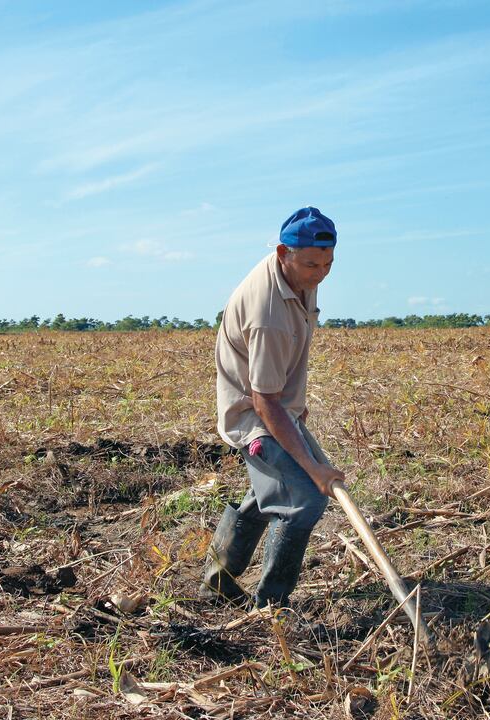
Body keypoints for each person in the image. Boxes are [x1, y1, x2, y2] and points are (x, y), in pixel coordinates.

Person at [200, 207, 344, 608]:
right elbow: (264, 400)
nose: (319, 274)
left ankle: (215, 582)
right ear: (283, 252)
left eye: (328, 263)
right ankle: (271, 607)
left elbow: (278, 381)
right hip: (255, 416)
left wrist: (295, 406)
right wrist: (313, 468)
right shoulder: (268, 313)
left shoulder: (297, 273)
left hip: (278, 404)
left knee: (269, 492)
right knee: (303, 501)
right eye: (311, 264)